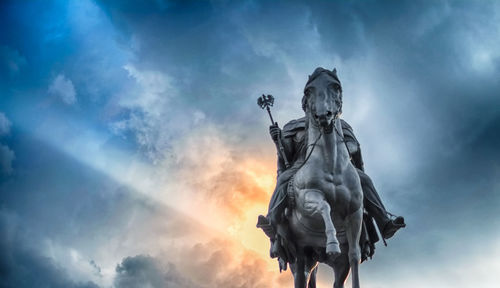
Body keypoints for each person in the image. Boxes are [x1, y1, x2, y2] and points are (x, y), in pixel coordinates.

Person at [257, 72, 405, 260]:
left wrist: (344, 147)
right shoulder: (293, 126)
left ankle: (384, 222)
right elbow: (286, 153)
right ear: (306, 102)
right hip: (302, 167)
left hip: (339, 166)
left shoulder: (340, 124)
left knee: (365, 180)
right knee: (284, 180)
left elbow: (355, 147)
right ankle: (273, 222)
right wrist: (277, 139)